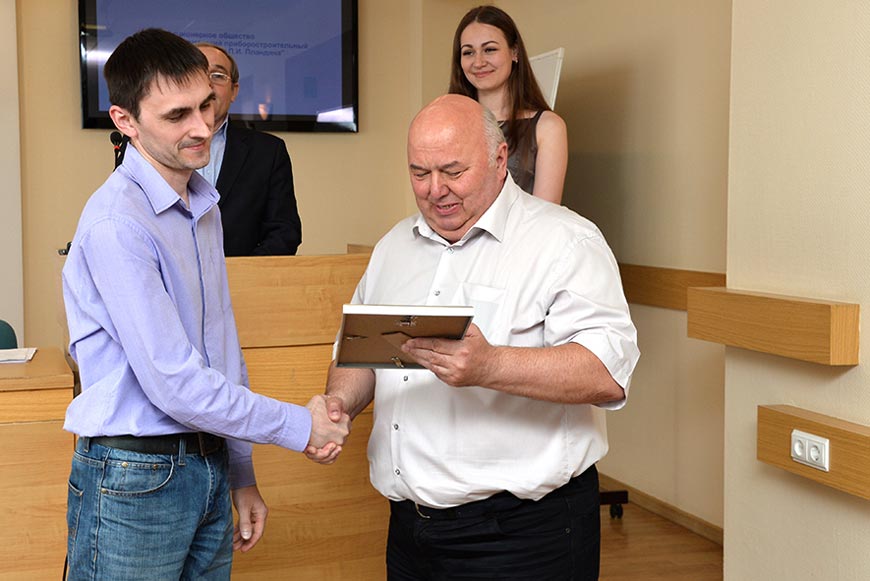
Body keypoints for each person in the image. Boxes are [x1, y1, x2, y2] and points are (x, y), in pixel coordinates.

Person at [307, 94, 639, 580]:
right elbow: (360, 354)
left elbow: (607, 374)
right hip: (410, 532)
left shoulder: (566, 242)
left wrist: (490, 366)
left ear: (500, 159)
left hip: (524, 536)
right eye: (419, 173)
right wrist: (338, 403)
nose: (435, 190)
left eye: (453, 171)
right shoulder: (393, 247)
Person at [62, 29, 349, 580]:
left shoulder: (203, 205)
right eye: (177, 116)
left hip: (208, 464)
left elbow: (220, 349)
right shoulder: (117, 223)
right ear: (125, 121)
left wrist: (240, 471)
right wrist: (300, 426)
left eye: (206, 105)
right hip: (135, 477)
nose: (202, 128)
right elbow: (174, 383)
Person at [449, 5, 568, 204]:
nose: (478, 62)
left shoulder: (548, 127)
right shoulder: (449, 125)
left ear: (514, 52)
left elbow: (546, 215)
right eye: (468, 52)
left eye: (489, 49)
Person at [195, 42, 302, 256]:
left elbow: (284, 232)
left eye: (218, 75)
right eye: (197, 73)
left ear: (234, 91)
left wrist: (244, 272)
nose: (208, 84)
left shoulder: (268, 152)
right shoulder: (149, 146)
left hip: (244, 276)